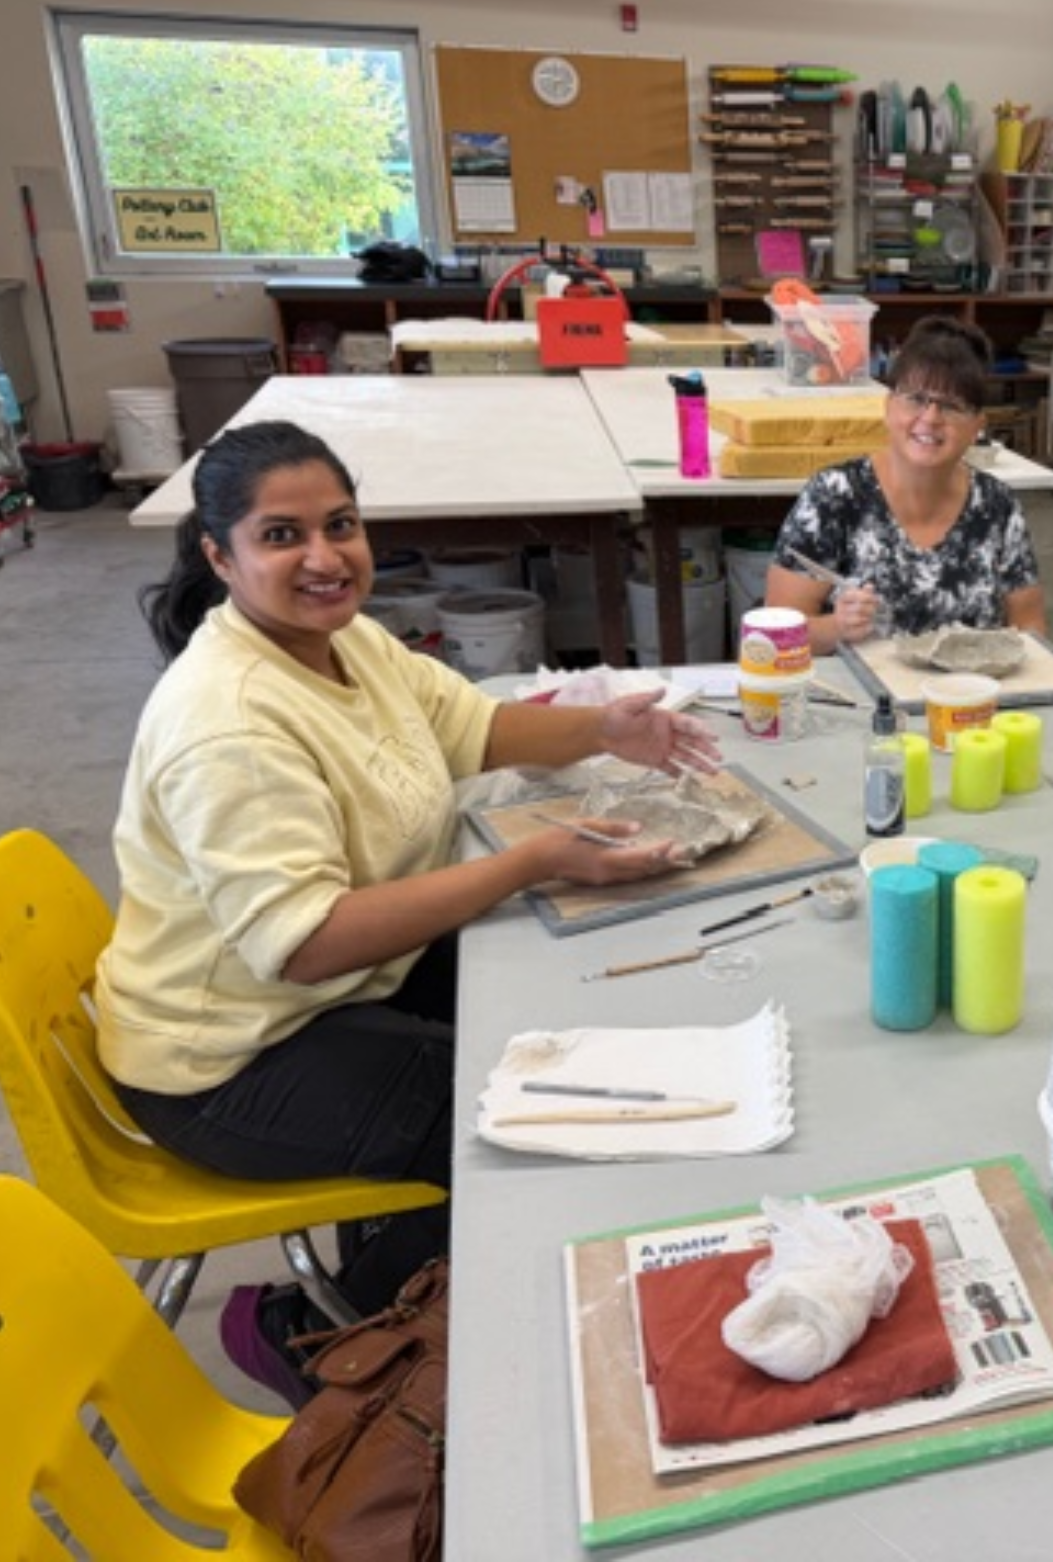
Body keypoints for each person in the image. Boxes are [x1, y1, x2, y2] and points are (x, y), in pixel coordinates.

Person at [95, 420, 720, 1400]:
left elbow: (473, 726)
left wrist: (605, 728)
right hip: (226, 1058)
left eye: (340, 524)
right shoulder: (229, 722)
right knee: (516, 1119)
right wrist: (528, 862)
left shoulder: (346, 642)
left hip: (329, 993)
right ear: (220, 556)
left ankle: (394, 1270)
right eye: (282, 535)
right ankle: (315, 1335)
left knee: (555, 1011)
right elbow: (305, 941)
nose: (324, 556)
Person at [765, 315, 1045, 653]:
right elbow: (775, 636)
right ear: (888, 406)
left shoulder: (998, 506)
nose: (930, 418)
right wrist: (837, 627)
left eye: (952, 406)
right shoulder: (834, 495)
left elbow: (1030, 629)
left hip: (972, 685)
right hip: (860, 685)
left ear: (977, 427)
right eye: (916, 398)